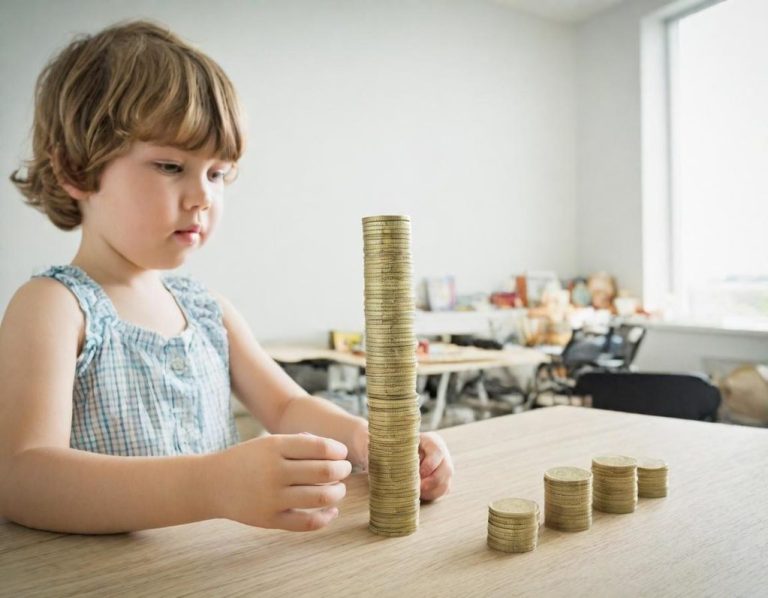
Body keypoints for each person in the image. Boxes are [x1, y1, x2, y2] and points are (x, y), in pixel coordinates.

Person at [0, 20, 452, 535]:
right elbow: (20, 478)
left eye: (217, 173)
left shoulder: (207, 309)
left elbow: (286, 406)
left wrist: (368, 439)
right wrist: (209, 485)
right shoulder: (52, 307)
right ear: (75, 171)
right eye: (170, 166)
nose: (202, 197)